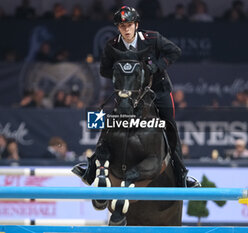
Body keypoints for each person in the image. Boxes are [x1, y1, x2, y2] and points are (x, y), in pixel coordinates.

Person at [74, 6, 199, 188]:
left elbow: (175, 51)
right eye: (122, 26)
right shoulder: (112, 45)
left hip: (158, 89)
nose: (126, 29)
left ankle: (181, 173)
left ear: (136, 25)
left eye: (129, 25)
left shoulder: (152, 38)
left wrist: (155, 67)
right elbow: (104, 70)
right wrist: (123, 76)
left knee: (169, 126)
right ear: (118, 27)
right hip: (130, 92)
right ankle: (92, 167)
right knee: (110, 121)